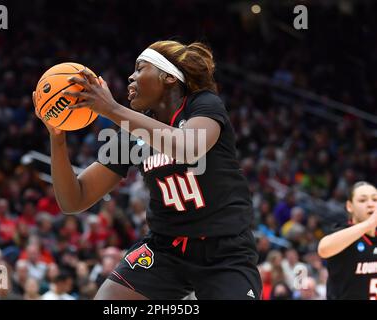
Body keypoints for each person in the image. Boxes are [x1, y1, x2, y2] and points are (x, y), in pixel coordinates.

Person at [33, 40, 262, 299]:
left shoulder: (203, 105)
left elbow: (188, 148)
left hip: (224, 251)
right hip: (166, 249)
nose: (130, 77)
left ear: (168, 78)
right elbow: (74, 199)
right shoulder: (129, 133)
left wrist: (112, 109)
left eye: (140, 68)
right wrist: (57, 137)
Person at [318, 181, 377, 300]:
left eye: (375, 199)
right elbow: (323, 249)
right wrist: (369, 223)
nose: (370, 204)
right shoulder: (342, 232)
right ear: (350, 206)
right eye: (362, 200)